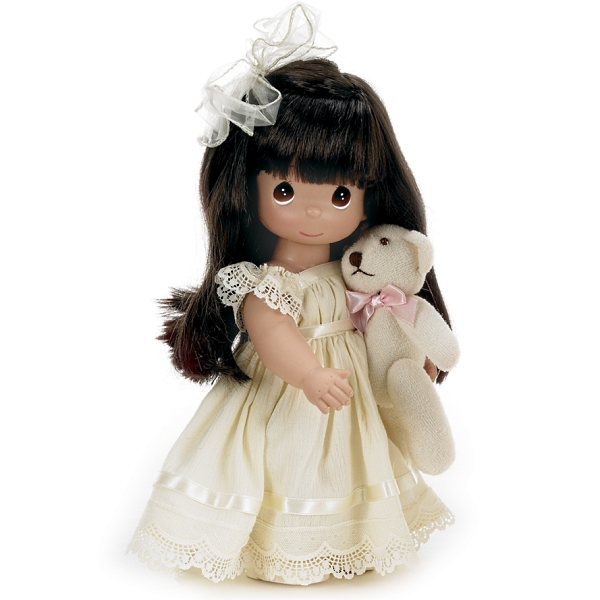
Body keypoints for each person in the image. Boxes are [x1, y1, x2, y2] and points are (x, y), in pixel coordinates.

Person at [130, 4, 454, 585]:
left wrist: (410, 355)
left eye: (339, 195)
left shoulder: (353, 271)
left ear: (369, 195)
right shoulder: (269, 281)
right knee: (288, 455)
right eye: (285, 189)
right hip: (290, 390)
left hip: (347, 389)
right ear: (248, 188)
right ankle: (283, 543)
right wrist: (307, 373)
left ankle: (349, 536)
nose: (312, 211)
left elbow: (376, 322)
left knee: (354, 457)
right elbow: (269, 328)